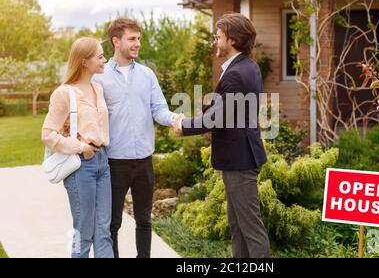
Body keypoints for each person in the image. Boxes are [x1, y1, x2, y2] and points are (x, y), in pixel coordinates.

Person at [173, 13, 271, 258]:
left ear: (233, 40)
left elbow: (218, 117)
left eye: (218, 37)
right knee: (238, 226)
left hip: (240, 160)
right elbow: (225, 112)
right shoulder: (247, 66)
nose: (215, 42)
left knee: (250, 228)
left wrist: (185, 125)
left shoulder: (238, 72)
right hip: (239, 156)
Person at [92, 18, 183, 258]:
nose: (137, 44)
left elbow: (159, 109)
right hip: (113, 162)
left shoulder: (147, 75)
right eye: (132, 39)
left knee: (144, 220)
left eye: (138, 39)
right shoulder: (99, 78)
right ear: (116, 41)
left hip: (144, 161)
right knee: (112, 224)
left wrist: (174, 119)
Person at [42, 37, 113, 258]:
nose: (105, 60)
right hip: (81, 166)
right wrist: (81, 147)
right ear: (84, 62)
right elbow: (47, 134)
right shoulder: (64, 93)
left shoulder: (98, 88)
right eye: (100, 56)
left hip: (103, 161)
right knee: (84, 233)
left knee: (103, 231)